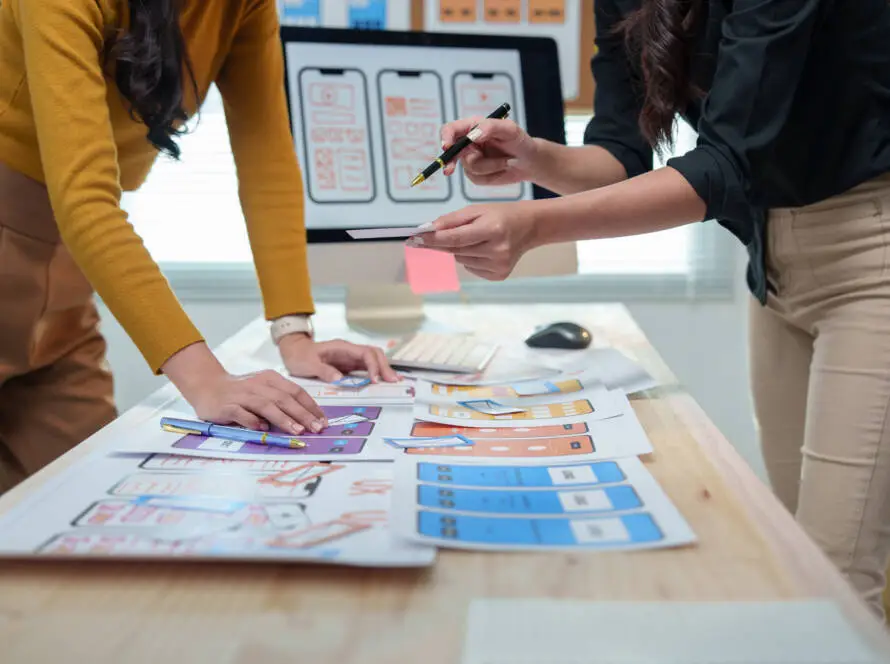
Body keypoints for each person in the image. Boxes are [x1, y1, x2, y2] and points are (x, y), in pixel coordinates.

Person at [416, 0, 890, 617]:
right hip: (771, 259)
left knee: (838, 579)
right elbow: (620, 154)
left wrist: (533, 226)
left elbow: (728, 164)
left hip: (871, 249)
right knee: (796, 548)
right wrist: (532, 157)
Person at [0, 0, 397, 493]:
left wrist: (294, 333)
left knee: (84, 493)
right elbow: (85, 200)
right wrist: (205, 378)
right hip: (31, 233)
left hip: (65, 284)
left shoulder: (241, 6)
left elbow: (267, 159)